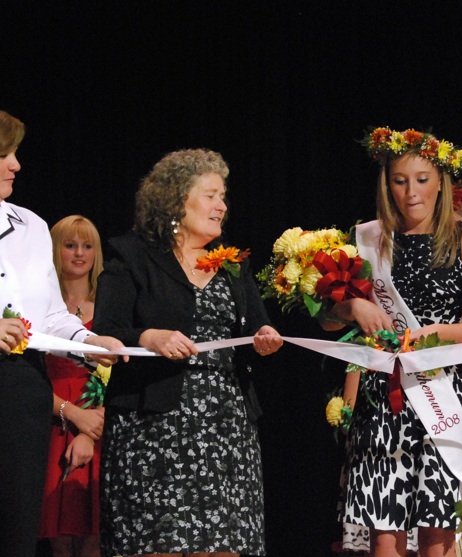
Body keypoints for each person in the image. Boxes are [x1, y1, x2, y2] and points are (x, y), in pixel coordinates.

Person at [92, 148, 284, 557]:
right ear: (177, 198)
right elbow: (105, 330)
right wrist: (149, 337)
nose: (222, 206)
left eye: (223, 196)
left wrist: (265, 337)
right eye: (211, 195)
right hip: (153, 426)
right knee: (156, 543)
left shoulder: (232, 265)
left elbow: (255, 330)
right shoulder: (132, 255)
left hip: (225, 427)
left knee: (222, 545)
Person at [324, 127, 462, 557]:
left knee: (436, 524)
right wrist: (352, 309)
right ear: (387, 183)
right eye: (400, 180)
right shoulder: (367, 238)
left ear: (441, 180)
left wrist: (432, 334)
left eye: (422, 179)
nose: (411, 192)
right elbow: (330, 322)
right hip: (382, 395)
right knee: (384, 529)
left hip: (437, 392)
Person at [0, 110, 123, 557]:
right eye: (6, 155)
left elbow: (51, 314)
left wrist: (89, 342)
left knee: (16, 524)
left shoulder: (29, 227)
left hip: (18, 386)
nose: (16, 165)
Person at [39, 215, 107, 557]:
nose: (79, 253)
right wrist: (70, 414)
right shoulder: (35, 309)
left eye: (87, 245)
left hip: (100, 427)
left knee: (94, 535)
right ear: (54, 251)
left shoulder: (110, 308)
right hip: (50, 423)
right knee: (58, 537)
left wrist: (89, 428)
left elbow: (123, 375)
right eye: (69, 245)